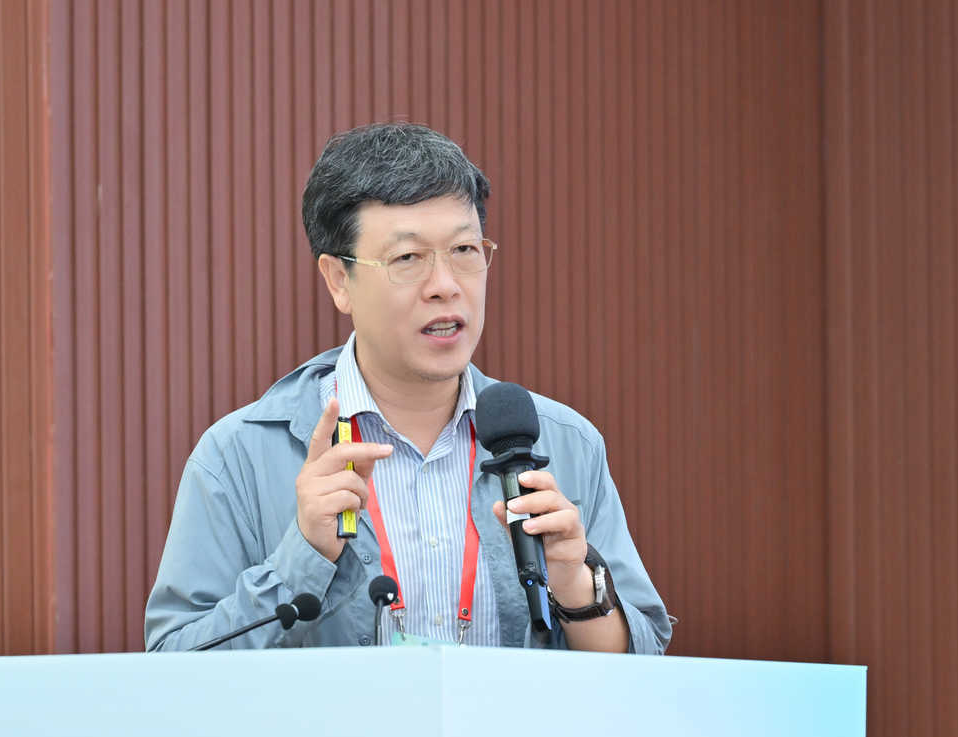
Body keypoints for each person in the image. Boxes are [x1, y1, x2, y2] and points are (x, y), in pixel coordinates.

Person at [144, 122, 670, 654]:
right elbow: (173, 663)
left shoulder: (566, 443)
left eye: (465, 249)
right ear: (339, 281)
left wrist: (577, 586)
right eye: (407, 258)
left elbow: (647, 665)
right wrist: (302, 556)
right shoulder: (239, 456)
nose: (446, 285)